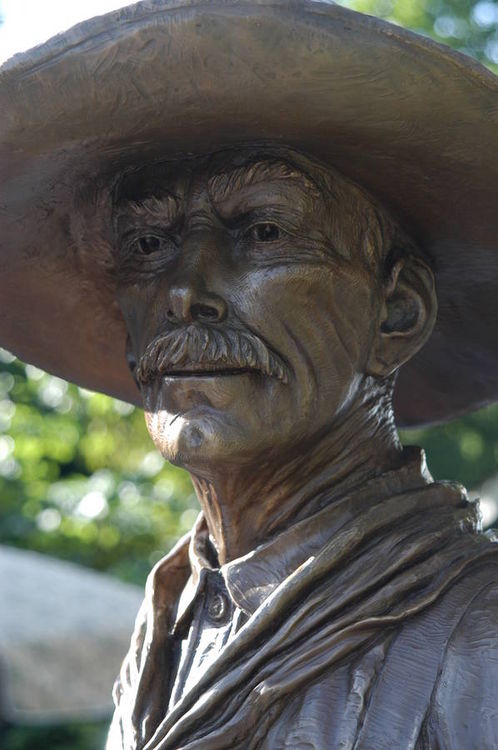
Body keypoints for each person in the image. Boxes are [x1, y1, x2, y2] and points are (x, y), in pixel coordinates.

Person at [1, 2, 497, 749]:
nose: (183, 291)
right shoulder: (172, 622)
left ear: (396, 315)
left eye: (263, 231)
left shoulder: (477, 641)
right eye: (147, 242)